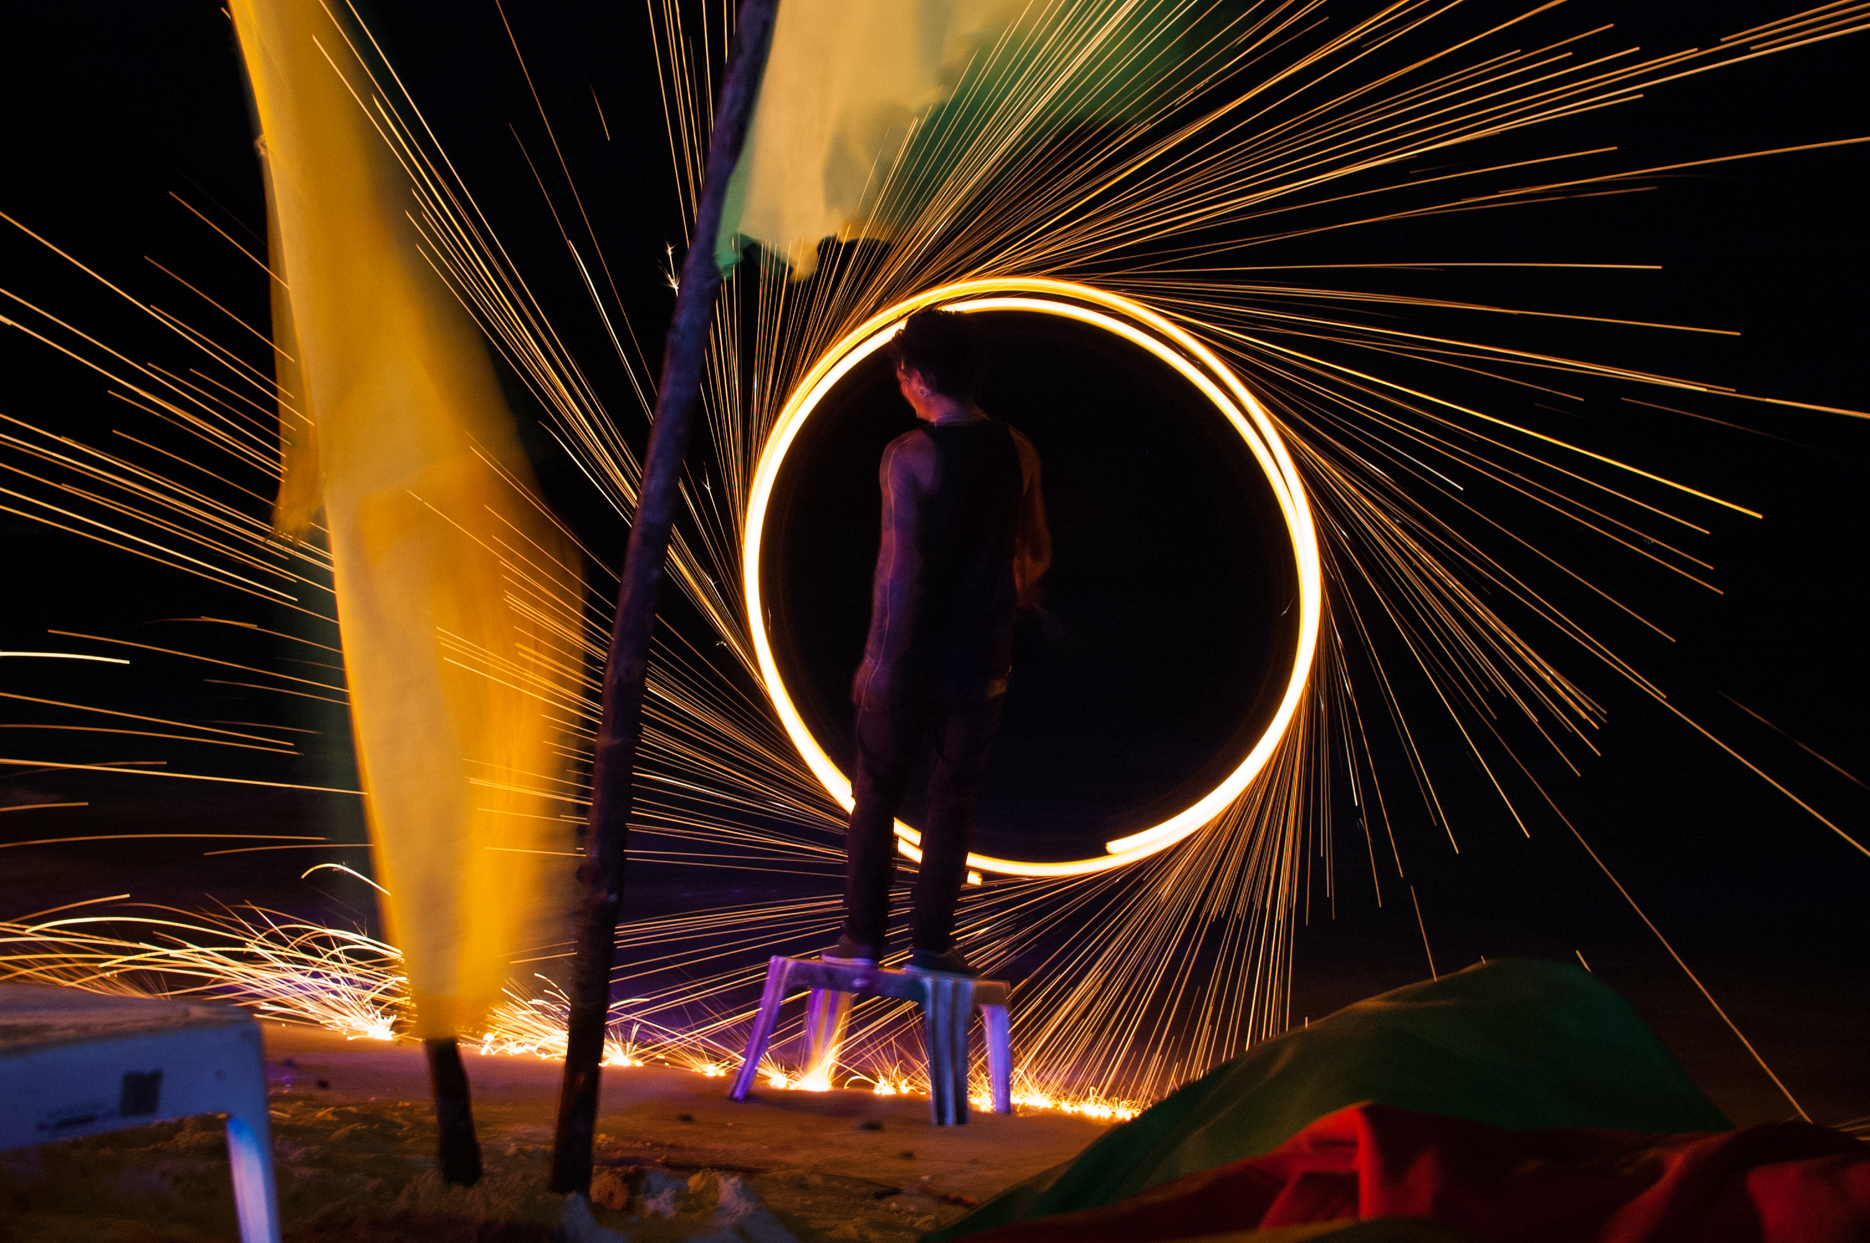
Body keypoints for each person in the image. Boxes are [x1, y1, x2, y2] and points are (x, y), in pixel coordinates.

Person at [827, 307, 1050, 977]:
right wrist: (1003, 589)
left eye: (900, 372)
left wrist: (877, 659)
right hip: (984, 662)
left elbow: (897, 573)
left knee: (877, 796)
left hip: (911, 662)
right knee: (953, 800)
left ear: (919, 376)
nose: (899, 383)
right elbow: (1036, 556)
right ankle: (932, 945)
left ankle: (862, 938)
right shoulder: (1019, 449)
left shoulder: (909, 455)